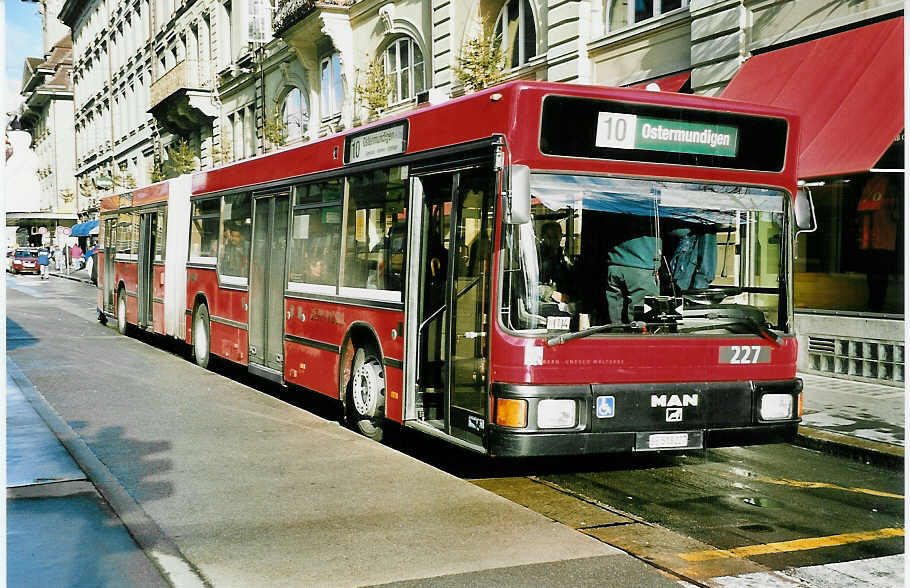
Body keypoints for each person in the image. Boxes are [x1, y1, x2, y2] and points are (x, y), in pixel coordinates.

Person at [605, 216, 660, 324]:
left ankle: (616, 335)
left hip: (614, 262)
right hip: (642, 265)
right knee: (642, 321)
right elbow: (680, 232)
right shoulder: (650, 205)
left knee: (615, 317)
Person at [538, 221, 573, 302]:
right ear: (542, 237)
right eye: (550, 237)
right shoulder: (537, 256)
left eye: (557, 237)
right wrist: (551, 293)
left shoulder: (563, 255)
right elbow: (531, 286)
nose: (554, 241)